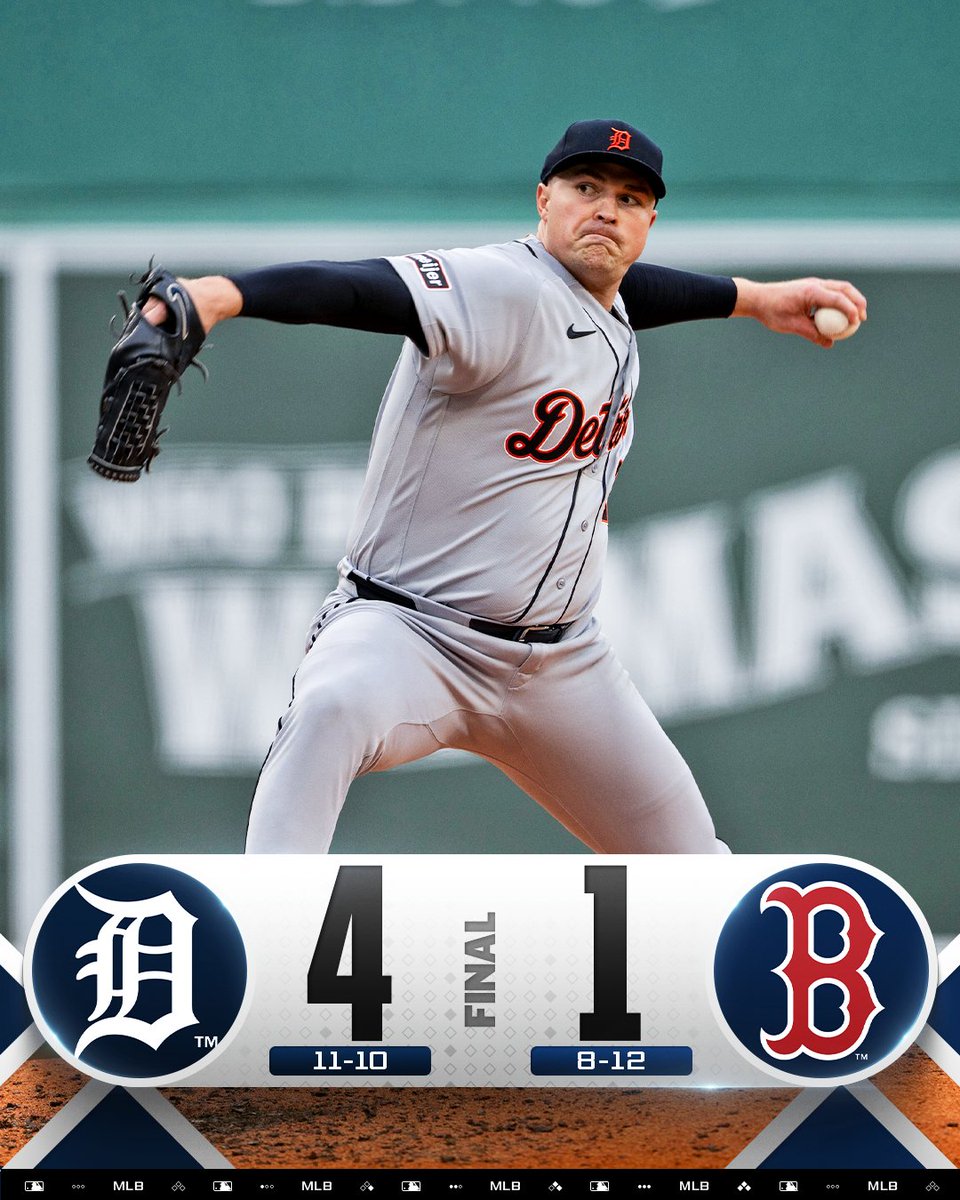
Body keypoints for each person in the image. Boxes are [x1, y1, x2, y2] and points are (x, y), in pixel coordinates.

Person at [144, 119, 866, 856]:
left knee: (692, 868)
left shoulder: (609, 299)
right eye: (586, 188)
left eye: (629, 198)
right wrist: (219, 295)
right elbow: (363, 290)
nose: (606, 210)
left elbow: (633, 291)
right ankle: (268, 914)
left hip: (560, 665)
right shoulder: (497, 285)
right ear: (544, 199)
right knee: (330, 709)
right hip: (410, 634)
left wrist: (754, 299)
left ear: (650, 222)